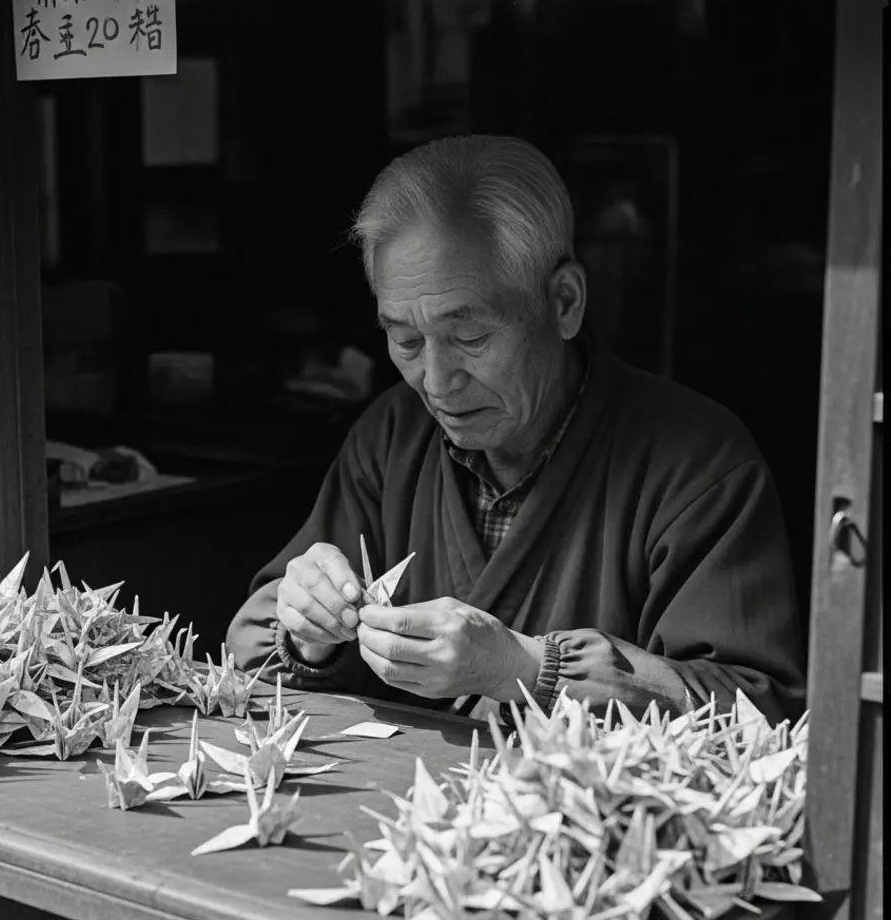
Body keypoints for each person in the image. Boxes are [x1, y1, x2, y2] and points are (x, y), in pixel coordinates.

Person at [226, 135, 806, 723]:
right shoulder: (392, 437)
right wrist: (310, 633)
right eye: (405, 339)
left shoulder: (697, 462)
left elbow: (758, 712)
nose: (436, 381)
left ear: (564, 302)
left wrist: (528, 670)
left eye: (470, 337)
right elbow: (249, 654)